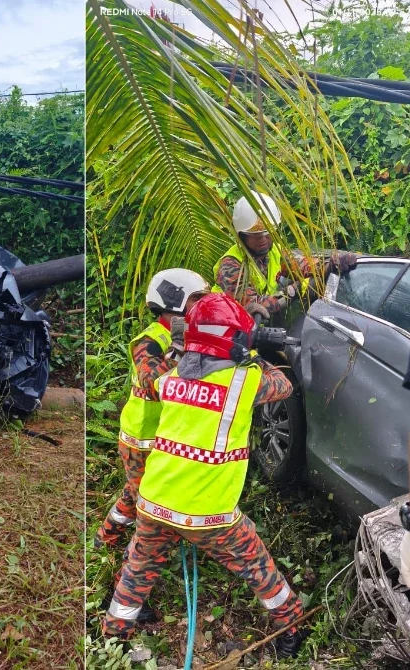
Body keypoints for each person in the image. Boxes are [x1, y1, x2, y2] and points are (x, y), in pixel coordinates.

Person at [103, 293, 307, 658]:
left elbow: (179, 371)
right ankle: (291, 625)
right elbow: (284, 384)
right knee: (255, 564)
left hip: (153, 502)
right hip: (208, 514)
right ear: (235, 339)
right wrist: (253, 354)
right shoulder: (245, 381)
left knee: (138, 569)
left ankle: (113, 637)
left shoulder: (169, 379)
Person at [96, 269, 209, 547]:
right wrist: (178, 349)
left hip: (166, 436)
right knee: (147, 503)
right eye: (196, 298)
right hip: (141, 439)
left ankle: (106, 538)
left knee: (136, 492)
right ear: (175, 301)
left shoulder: (194, 334)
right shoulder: (151, 340)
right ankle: (131, 556)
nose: (202, 305)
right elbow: (150, 382)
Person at [213, 191, 358, 318]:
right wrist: (295, 289)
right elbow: (255, 306)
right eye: (256, 235)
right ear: (242, 236)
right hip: (225, 330)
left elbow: (302, 265)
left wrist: (330, 264)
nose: (263, 239)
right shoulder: (231, 265)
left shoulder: (275, 252)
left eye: (268, 232)